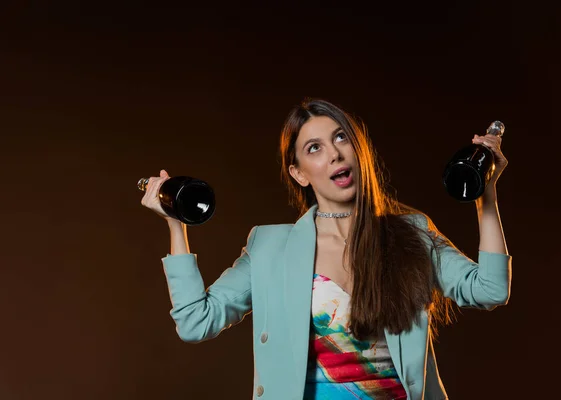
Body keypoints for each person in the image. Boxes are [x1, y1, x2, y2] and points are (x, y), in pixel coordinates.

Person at [140, 99, 512, 400]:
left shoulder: (412, 232)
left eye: (340, 138)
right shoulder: (270, 246)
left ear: (357, 149)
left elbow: (491, 290)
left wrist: (487, 196)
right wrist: (176, 224)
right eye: (314, 148)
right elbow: (196, 321)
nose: (334, 154)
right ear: (299, 173)